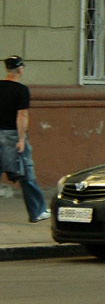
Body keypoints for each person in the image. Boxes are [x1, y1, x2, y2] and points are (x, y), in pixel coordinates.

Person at [0, 56, 50, 223]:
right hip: (12, 136)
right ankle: (37, 211)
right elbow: (22, 115)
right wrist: (21, 139)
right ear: (20, 69)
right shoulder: (21, 90)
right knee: (26, 173)